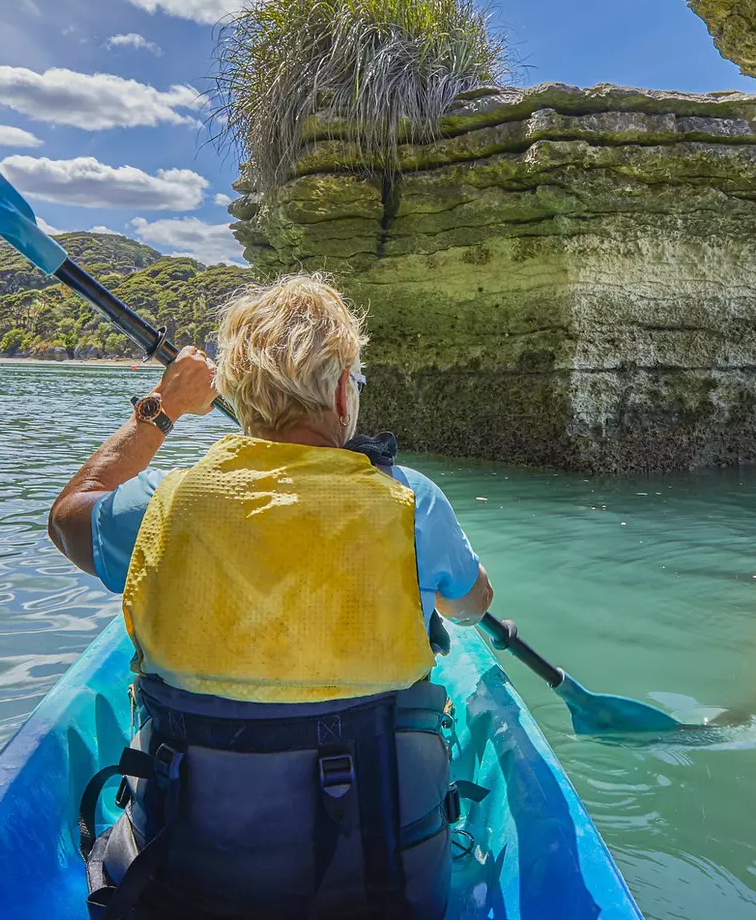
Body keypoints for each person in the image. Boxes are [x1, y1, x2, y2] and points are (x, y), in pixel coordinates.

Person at [47, 274, 492, 920]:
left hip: (181, 880)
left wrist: (160, 409)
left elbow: (67, 517)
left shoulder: (163, 504)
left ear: (236, 394)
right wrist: (450, 595)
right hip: (385, 886)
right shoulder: (411, 500)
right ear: (343, 390)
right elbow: (472, 605)